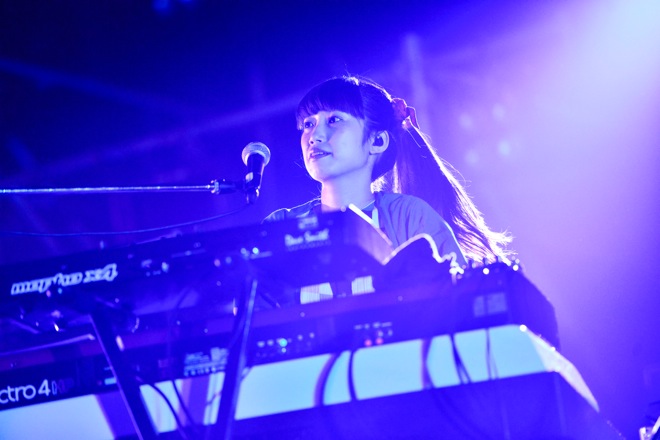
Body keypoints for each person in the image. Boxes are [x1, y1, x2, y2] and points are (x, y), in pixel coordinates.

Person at [265, 75, 512, 303]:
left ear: (377, 141)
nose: (314, 135)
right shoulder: (281, 225)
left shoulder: (411, 217)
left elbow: (461, 303)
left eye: (334, 120)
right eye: (308, 124)